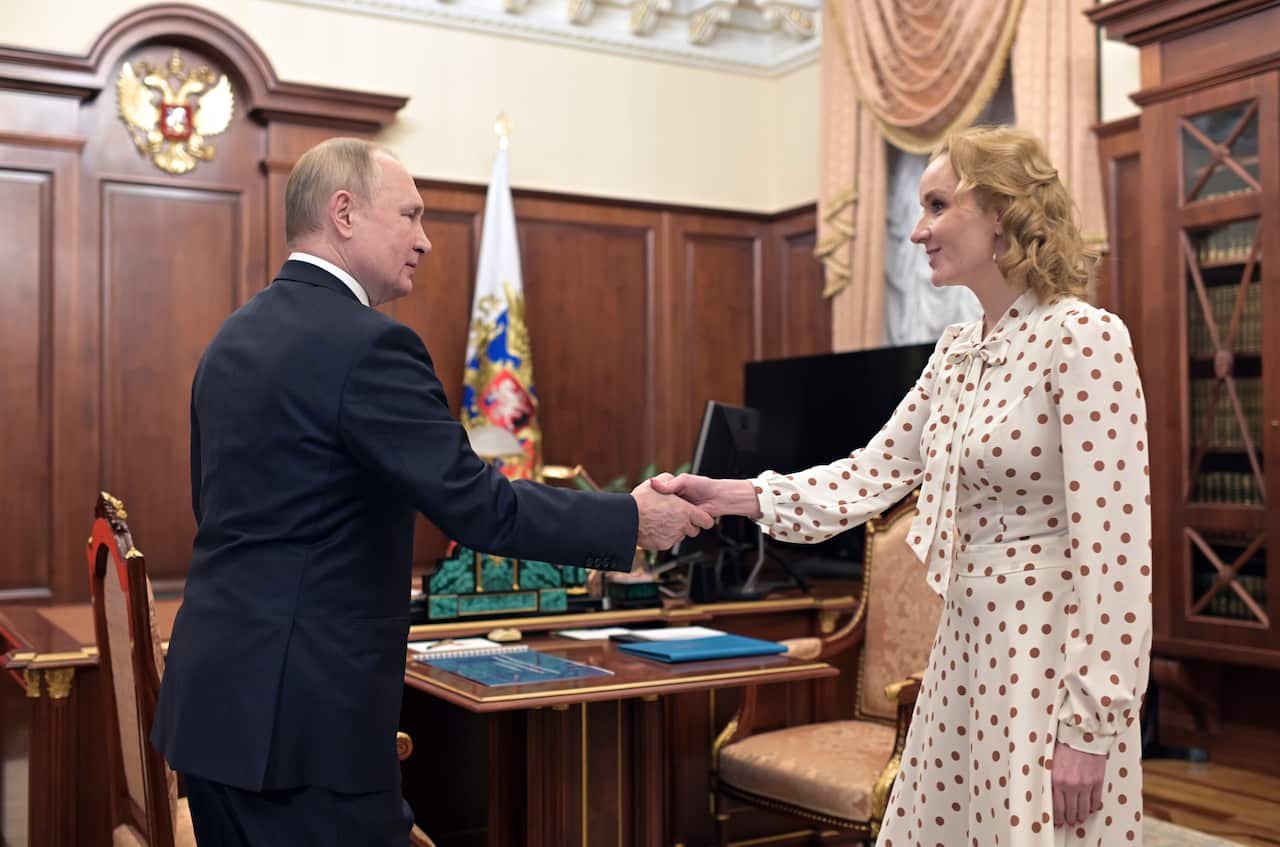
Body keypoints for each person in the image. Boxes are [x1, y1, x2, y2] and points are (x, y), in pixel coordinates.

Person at [151, 137, 713, 846]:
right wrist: (629, 518)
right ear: (344, 213)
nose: (424, 240)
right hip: (305, 732)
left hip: (213, 714)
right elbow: (481, 506)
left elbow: (225, 513)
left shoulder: (230, 340)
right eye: (410, 215)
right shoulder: (367, 344)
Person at [652, 125, 1152, 845]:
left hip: (1046, 659)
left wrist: (1091, 726)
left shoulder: (1084, 338)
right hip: (964, 649)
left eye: (937, 205)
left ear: (1002, 212)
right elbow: (869, 472)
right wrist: (731, 494)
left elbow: (1117, 554)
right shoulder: (955, 352)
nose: (917, 230)